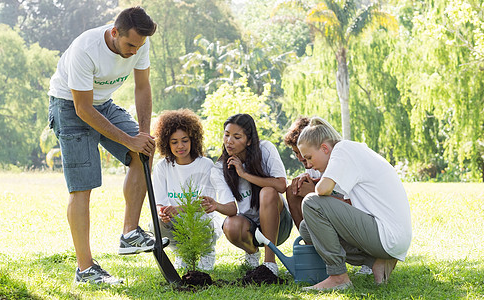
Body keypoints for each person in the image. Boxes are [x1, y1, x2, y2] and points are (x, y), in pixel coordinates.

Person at [47, 7, 157, 285]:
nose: (134, 51)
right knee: (82, 188)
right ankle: (85, 270)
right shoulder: (86, 49)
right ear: (114, 32)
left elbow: (142, 87)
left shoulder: (139, 42)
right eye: (130, 45)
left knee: (142, 152)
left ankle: (130, 233)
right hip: (70, 106)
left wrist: (141, 136)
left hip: (103, 104)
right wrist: (129, 139)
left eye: (139, 45)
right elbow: (82, 108)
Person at [296, 117, 412, 291]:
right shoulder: (351, 151)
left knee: (312, 203)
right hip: (389, 237)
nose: (309, 165)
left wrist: (316, 183)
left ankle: (338, 277)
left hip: (387, 235)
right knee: (307, 227)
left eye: (309, 158)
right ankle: (376, 261)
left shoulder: (343, 149)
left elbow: (322, 190)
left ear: (325, 148)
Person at [202, 114, 293, 277]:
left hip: (280, 225)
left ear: (249, 140)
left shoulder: (265, 149)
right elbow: (231, 209)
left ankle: (270, 264)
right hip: (250, 228)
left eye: (237, 137)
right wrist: (216, 205)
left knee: (267, 191)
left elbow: (281, 185)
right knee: (230, 224)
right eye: (227, 134)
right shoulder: (219, 169)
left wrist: (244, 174)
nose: (229, 141)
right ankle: (251, 253)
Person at [283, 117, 372, 276]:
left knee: (313, 201)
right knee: (293, 191)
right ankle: (314, 247)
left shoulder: (340, 158)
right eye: (296, 153)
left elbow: (353, 201)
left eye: (305, 155)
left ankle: (368, 259)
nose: (302, 160)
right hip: (335, 212)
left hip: (362, 219)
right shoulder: (312, 165)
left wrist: (315, 191)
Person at [150, 109, 222, 271]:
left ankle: (206, 254)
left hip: (203, 221)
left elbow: (206, 206)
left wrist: (178, 209)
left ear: (193, 140)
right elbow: (158, 202)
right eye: (174, 142)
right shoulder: (162, 167)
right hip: (177, 221)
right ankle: (181, 253)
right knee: (154, 223)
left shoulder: (206, 165)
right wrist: (162, 213)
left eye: (184, 140)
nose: (180, 146)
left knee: (202, 221)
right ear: (166, 143)